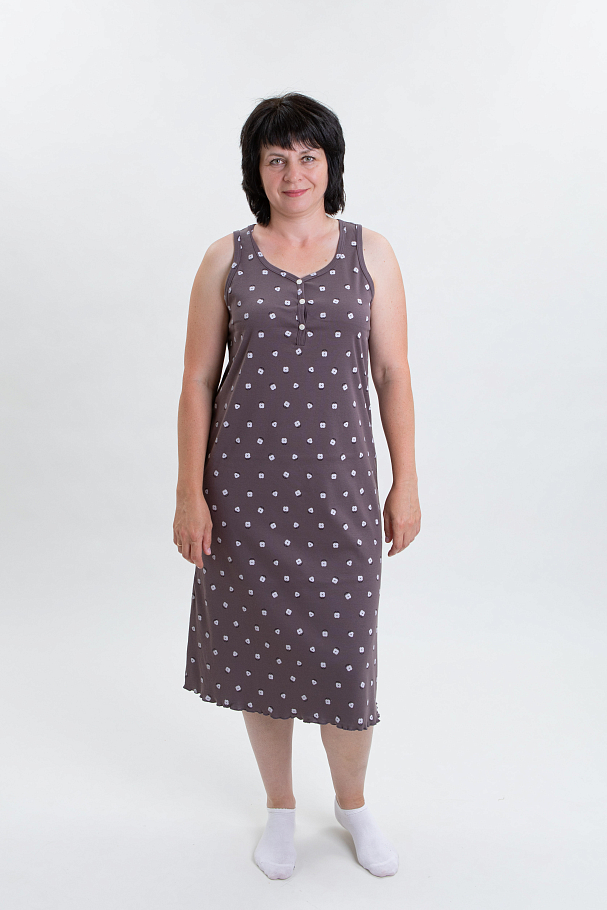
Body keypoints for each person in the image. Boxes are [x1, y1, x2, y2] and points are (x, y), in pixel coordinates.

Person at [173, 92, 421, 880]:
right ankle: (279, 806)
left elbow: (392, 373)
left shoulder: (370, 252)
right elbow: (196, 382)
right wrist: (188, 493)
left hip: (339, 496)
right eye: (275, 157)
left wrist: (405, 482)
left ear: (329, 164)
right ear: (256, 169)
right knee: (258, 657)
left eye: (307, 156)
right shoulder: (225, 258)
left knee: (347, 660)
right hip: (243, 500)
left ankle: (352, 804)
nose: (292, 171)